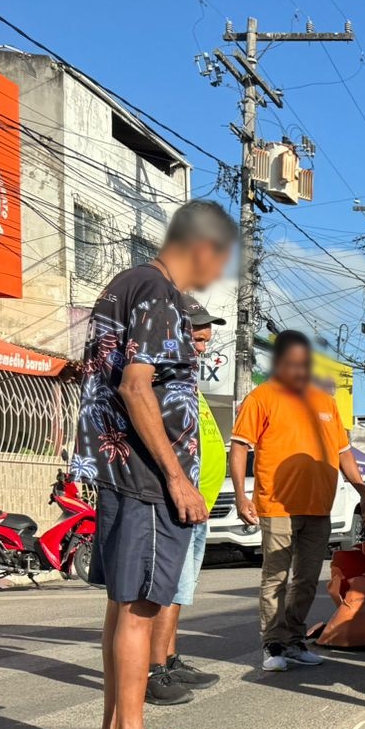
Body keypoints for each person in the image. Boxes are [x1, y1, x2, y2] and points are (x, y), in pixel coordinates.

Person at [75, 199, 235, 729]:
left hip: (123, 470)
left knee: (122, 606)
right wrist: (176, 478)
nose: (213, 277)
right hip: (146, 477)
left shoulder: (126, 283)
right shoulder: (158, 294)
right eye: (216, 263)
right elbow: (137, 387)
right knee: (143, 606)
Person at [230, 331, 365, 672]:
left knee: (307, 579)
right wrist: (240, 494)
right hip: (277, 504)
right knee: (275, 577)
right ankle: (273, 644)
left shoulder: (325, 402)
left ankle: (294, 640)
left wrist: (364, 493)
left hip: (318, 507)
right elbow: (239, 447)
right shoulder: (262, 397)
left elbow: (343, 454)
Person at [145, 296, 226, 706]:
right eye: (196, 332)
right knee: (166, 590)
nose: (205, 340)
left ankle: (170, 659)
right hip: (176, 501)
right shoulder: (160, 379)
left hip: (198, 505)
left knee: (181, 591)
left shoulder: (188, 381)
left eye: (207, 333)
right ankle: (153, 670)